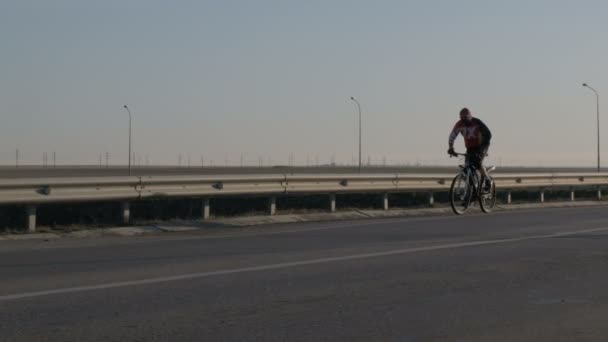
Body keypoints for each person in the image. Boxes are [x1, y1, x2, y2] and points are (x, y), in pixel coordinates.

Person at [447, 107, 492, 190]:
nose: (464, 120)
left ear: (470, 116)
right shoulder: (459, 124)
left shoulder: (477, 122)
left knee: (478, 162)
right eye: (462, 118)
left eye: (466, 118)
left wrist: (482, 147)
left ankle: (488, 180)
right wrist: (451, 148)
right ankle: (472, 191)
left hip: (482, 145)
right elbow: (452, 136)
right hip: (470, 147)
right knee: (467, 168)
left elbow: (488, 134)